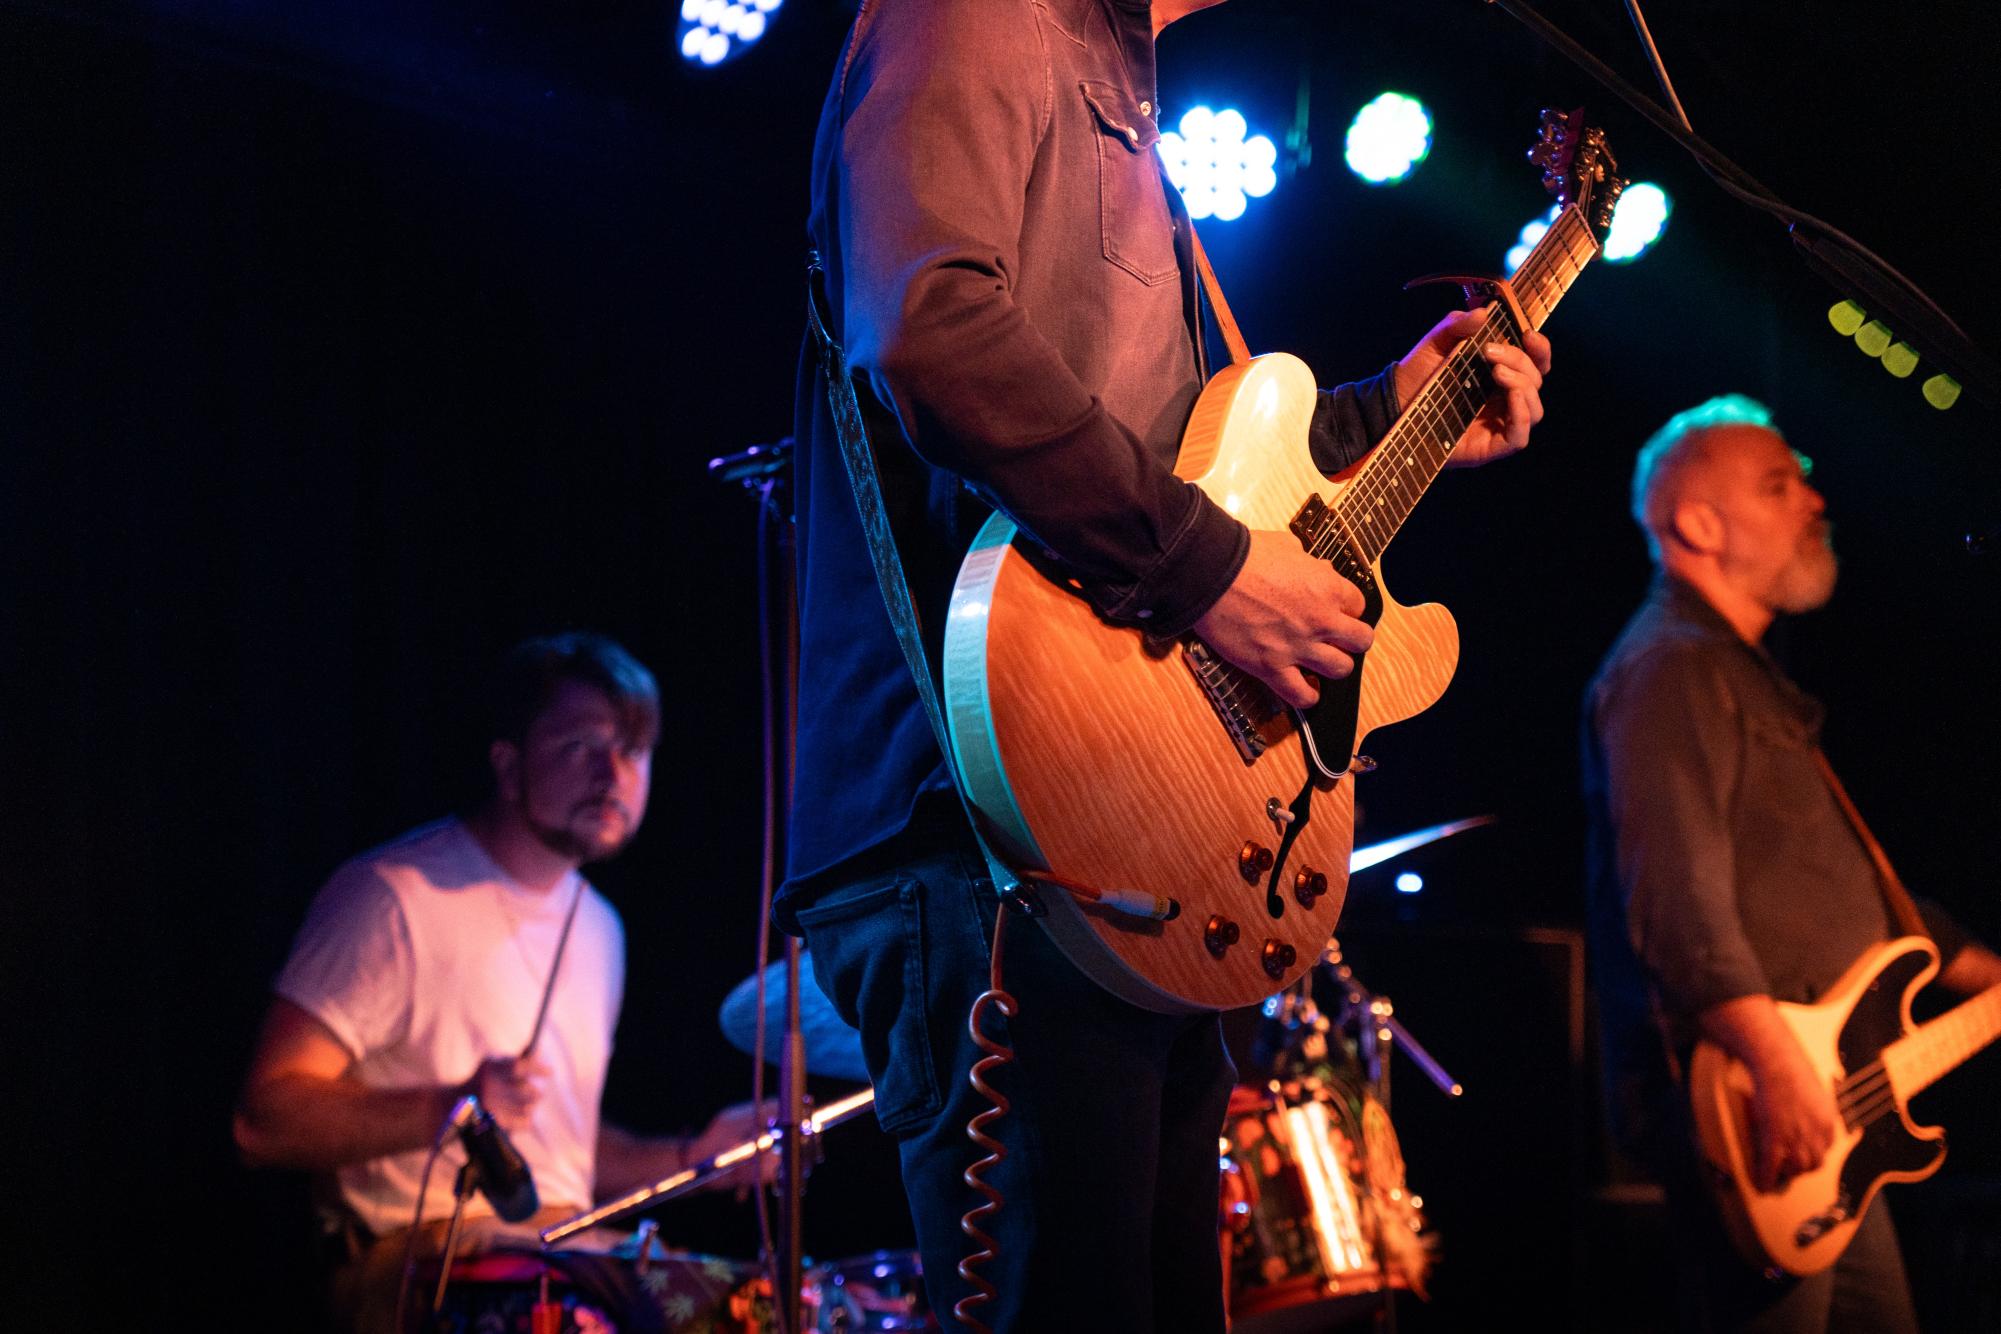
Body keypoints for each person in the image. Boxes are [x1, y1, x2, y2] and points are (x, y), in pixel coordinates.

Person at [784, 1, 1552, 1328]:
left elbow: (1199, 469)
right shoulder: (979, 12)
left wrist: (1394, 412)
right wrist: (1208, 573)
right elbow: (928, 330)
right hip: (982, 820)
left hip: (1135, 818)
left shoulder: (1121, 95)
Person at [1582, 395, 2001, 1332]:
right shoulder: (1669, 670)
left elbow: (1838, 883)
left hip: (1832, 1110)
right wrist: (1774, 1064)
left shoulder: (1736, 674)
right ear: (1697, 524)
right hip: (1765, 1105)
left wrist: (1976, 968)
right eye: (1780, 485)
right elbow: (1674, 898)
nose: (1813, 503)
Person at [234, 632, 761, 1332]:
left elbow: (560, 1155)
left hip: (559, 1249)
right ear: (507, 766)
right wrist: (451, 1110)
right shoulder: (395, 897)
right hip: (423, 1263)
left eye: (633, 751)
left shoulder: (598, 925)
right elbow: (264, 1121)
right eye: (580, 745)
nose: (612, 774)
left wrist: (697, 1157)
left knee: (759, 1308)